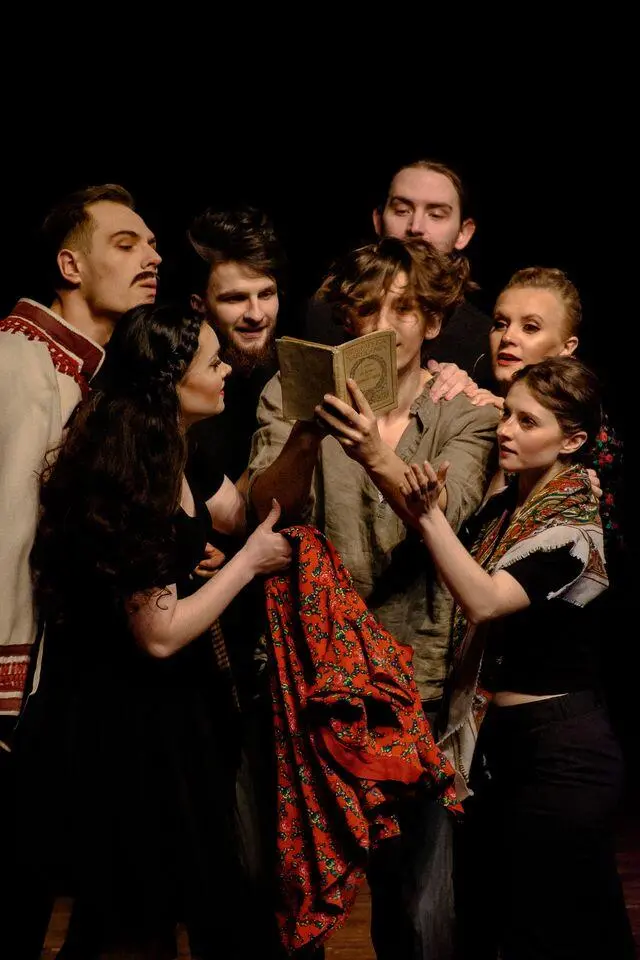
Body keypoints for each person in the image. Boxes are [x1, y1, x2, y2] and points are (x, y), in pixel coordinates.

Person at [11, 304, 291, 959]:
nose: (227, 372)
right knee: (134, 918)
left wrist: (305, 433)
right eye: (213, 363)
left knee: (156, 912)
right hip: (123, 726)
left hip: (169, 712)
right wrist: (247, 563)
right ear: (170, 381)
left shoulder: (176, 451)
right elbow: (158, 634)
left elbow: (242, 510)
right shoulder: (134, 469)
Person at [249, 236, 499, 960]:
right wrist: (306, 435)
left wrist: (376, 453)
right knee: (301, 895)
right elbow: (266, 507)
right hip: (315, 675)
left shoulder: (466, 411)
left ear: (433, 320)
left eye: (403, 309)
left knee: (417, 911)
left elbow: (446, 517)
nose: (383, 327)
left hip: (412, 679)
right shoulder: (291, 393)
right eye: (367, 309)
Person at [400, 356, 635, 959]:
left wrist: (426, 515)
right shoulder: (506, 509)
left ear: (572, 441)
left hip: (562, 749)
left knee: (558, 934)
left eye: (528, 422)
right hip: (502, 744)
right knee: (491, 927)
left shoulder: (572, 523)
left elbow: (483, 601)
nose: (506, 430)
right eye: (507, 414)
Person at [0, 183, 161, 751]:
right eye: (126, 245)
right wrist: (6, 693)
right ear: (70, 266)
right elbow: (9, 532)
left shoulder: (88, 373)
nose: (152, 258)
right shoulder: (22, 361)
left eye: (152, 244)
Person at [302, 158, 494, 388]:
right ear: (378, 221)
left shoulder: (483, 339)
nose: (416, 227)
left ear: (464, 233)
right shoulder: (325, 313)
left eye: (436, 214)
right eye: (402, 210)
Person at [185, 205, 286, 494]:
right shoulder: (178, 389)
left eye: (266, 294)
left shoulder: (295, 372)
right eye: (235, 299)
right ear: (199, 305)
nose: (256, 314)